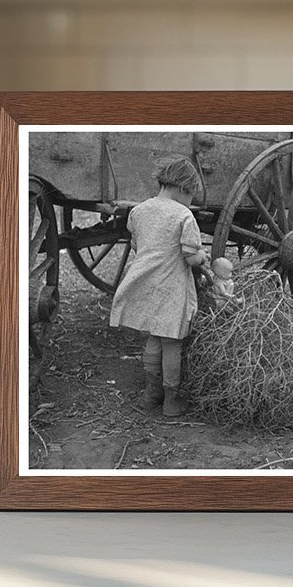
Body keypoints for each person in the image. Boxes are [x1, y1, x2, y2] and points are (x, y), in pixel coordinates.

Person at [109, 155, 207, 418]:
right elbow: (190, 256)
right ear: (183, 188)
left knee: (153, 337)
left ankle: (151, 393)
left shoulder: (139, 211)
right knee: (172, 342)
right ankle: (171, 400)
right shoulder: (183, 216)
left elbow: (137, 246)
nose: (191, 202)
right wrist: (202, 258)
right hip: (171, 289)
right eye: (191, 196)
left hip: (147, 285)